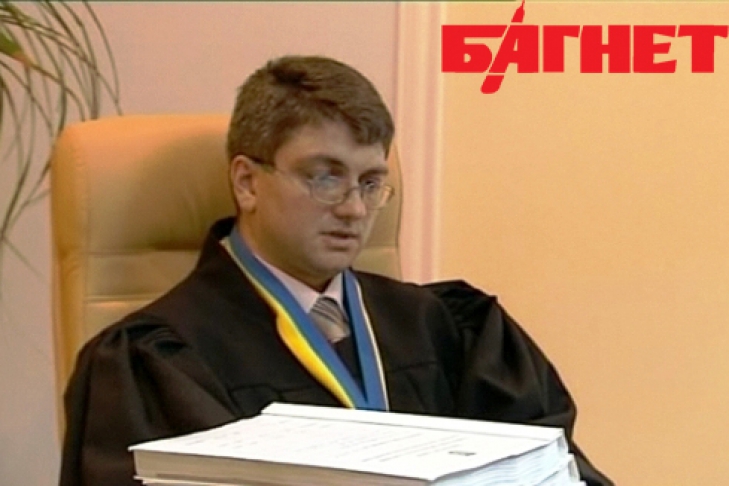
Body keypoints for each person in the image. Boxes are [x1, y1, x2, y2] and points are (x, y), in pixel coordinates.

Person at [59, 55, 612, 486]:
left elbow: (557, 471)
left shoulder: (447, 330)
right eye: (325, 177)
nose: (353, 208)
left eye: (370, 183)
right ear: (247, 182)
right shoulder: (159, 361)